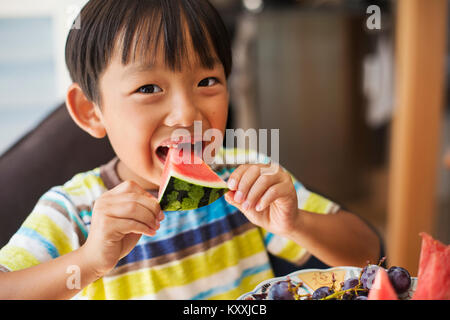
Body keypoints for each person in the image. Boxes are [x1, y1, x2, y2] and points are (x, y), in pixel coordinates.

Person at [0, 0, 380, 299]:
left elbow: (368, 255)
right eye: (149, 88)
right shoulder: (74, 212)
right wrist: (89, 260)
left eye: (207, 81)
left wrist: (297, 223)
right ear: (90, 111)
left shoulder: (244, 177)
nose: (186, 113)